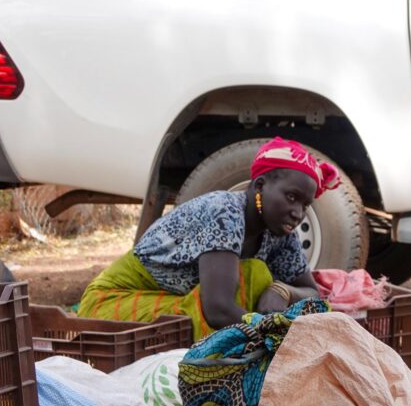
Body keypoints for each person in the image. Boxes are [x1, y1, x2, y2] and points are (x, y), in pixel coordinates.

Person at [77, 138, 339, 339]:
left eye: (305, 205)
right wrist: (274, 339)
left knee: (258, 277)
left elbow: (313, 296)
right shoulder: (223, 211)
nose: (298, 213)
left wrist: (281, 290)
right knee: (254, 275)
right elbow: (217, 310)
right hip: (115, 302)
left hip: (173, 303)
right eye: (291, 197)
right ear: (259, 186)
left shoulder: (279, 232)